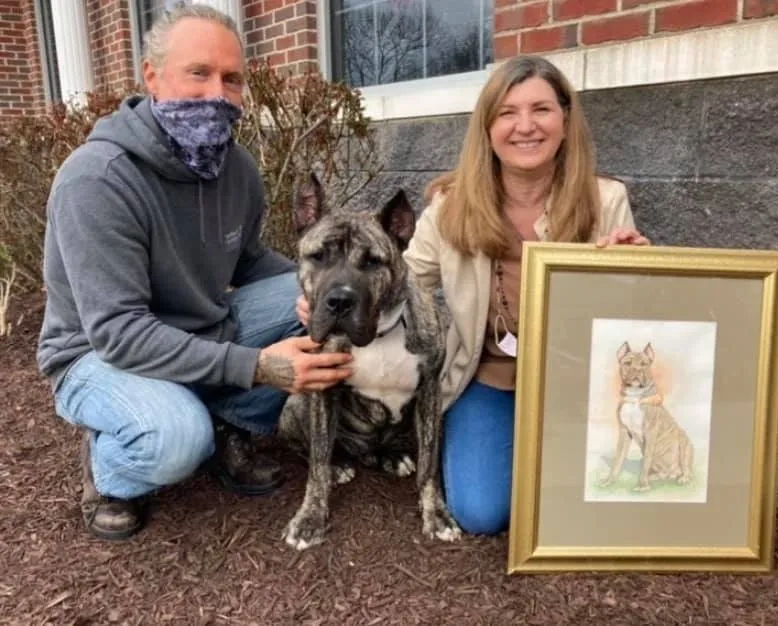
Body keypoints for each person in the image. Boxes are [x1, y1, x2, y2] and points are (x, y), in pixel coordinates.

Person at [297, 54, 650, 536]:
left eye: (541, 109)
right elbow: (404, 278)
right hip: (487, 378)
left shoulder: (606, 201)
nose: (525, 126)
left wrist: (638, 272)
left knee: (601, 492)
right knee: (480, 512)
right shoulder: (451, 207)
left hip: (574, 381)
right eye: (507, 113)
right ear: (487, 127)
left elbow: (634, 317)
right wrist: (336, 302)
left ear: (566, 120)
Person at [36, 5, 352, 541]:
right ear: (152, 76)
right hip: (96, 354)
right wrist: (257, 367)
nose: (216, 94)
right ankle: (109, 470)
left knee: (317, 300)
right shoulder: (97, 180)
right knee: (177, 439)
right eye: (198, 73)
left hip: (193, 330)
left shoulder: (238, 169)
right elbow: (119, 333)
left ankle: (229, 424)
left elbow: (248, 261)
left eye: (232, 79)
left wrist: (312, 294)